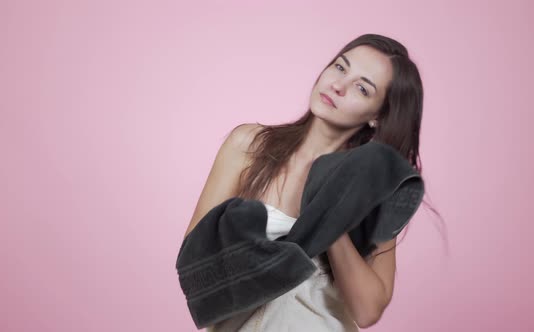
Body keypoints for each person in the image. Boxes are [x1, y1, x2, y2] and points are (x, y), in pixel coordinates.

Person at [183, 33, 429, 331]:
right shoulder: (248, 145)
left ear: (377, 116)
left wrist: (332, 217)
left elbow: (367, 312)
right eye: (340, 67)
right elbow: (194, 268)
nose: (338, 86)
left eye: (361, 88)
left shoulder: (370, 189)